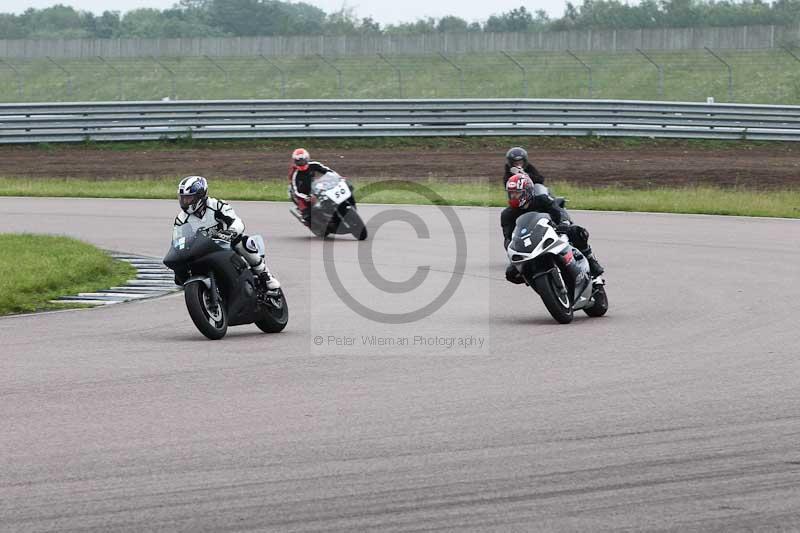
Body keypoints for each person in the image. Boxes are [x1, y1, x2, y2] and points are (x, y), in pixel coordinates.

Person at [173, 175, 280, 290]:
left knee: (243, 242)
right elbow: (178, 240)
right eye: (182, 198)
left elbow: (237, 222)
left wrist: (230, 232)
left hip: (225, 245)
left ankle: (265, 275)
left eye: (189, 198)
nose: (185, 202)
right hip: (202, 251)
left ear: (200, 196)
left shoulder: (217, 206)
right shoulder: (181, 219)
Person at [501, 172, 605, 284]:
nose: (513, 197)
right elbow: (508, 237)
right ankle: (539, 283)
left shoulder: (542, 200)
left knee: (577, 232)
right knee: (511, 274)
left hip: (553, 233)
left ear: (527, 191)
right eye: (511, 194)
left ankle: (591, 261)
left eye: (517, 193)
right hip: (530, 244)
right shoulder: (507, 214)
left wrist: (564, 224)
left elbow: (559, 211)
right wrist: (512, 252)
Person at [288, 148, 333, 223]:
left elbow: (327, 171)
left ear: (307, 159)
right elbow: (296, 191)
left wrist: (337, 177)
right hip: (301, 194)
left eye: (302, 160)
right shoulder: (295, 174)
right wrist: (307, 197)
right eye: (298, 161)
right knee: (307, 216)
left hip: (313, 188)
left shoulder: (314, 165)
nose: (301, 162)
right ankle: (309, 221)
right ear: (295, 161)